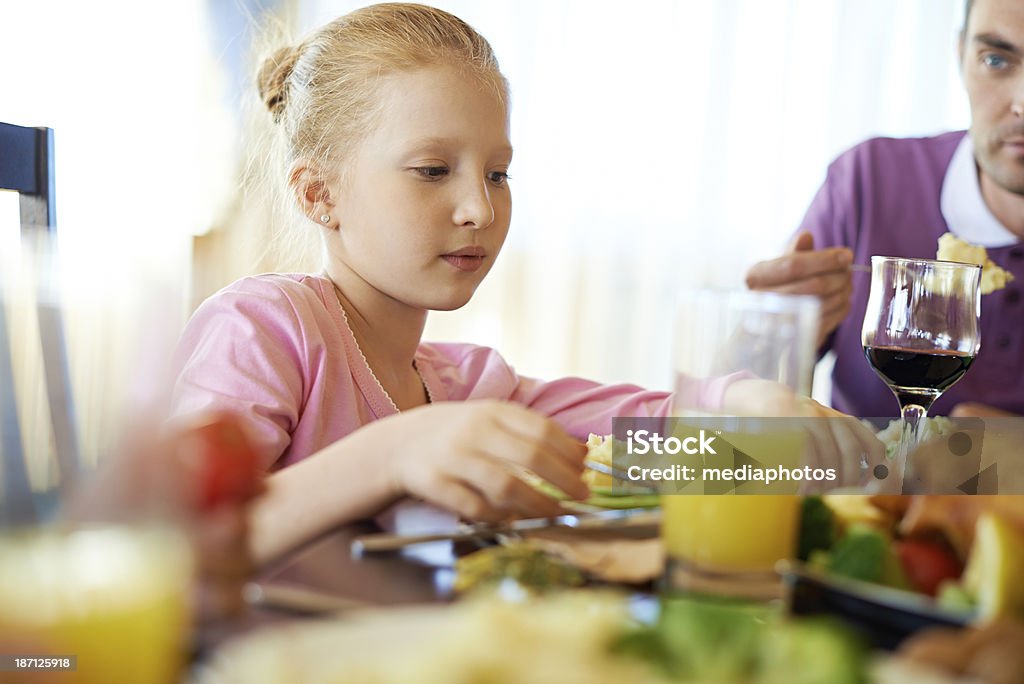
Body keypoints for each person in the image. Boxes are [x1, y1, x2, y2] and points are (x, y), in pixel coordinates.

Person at [170, 4, 879, 566]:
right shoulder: (263, 326)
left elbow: (650, 440)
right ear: (319, 193)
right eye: (432, 170)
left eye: (498, 173)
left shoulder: (476, 388)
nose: (480, 207)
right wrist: (395, 453)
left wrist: (746, 403)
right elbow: (173, 548)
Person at [745, 0, 1024, 419]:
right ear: (961, 54)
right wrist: (767, 338)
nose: (1022, 104)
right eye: (996, 59)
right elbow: (736, 403)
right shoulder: (869, 180)